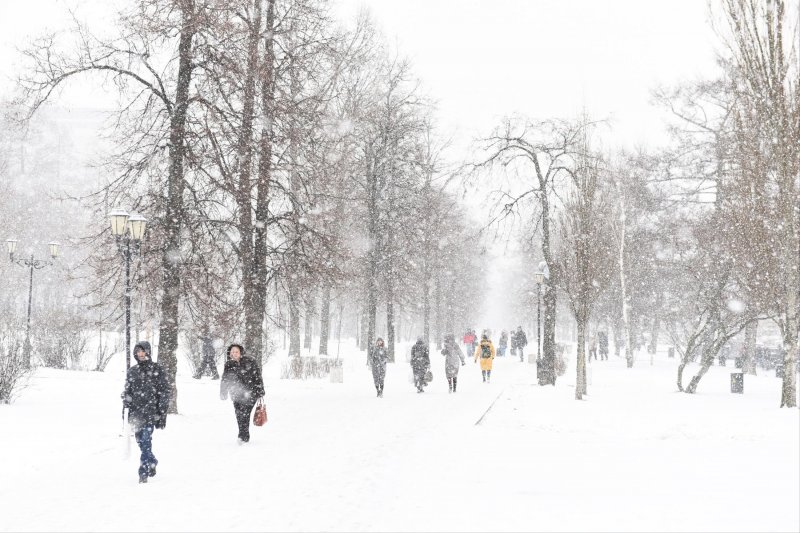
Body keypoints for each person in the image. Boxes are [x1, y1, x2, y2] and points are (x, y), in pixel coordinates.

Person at [122, 341, 170, 484]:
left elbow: (164, 393)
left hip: (151, 412)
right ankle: (152, 461)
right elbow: (128, 390)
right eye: (138, 351)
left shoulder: (157, 369)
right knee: (140, 441)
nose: (141, 354)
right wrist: (126, 398)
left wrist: (161, 413)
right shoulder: (132, 371)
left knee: (146, 440)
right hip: (136, 413)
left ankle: (143, 471)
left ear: (148, 352)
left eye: (143, 351)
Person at [220, 343, 265, 443]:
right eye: (232, 352)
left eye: (236, 352)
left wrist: (260, 390)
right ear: (230, 353)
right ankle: (242, 435)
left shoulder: (250, 361)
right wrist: (223, 392)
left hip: (250, 392)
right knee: (239, 414)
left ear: (240, 352)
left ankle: (243, 436)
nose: (234, 354)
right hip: (235, 393)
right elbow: (225, 379)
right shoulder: (228, 364)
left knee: (245, 413)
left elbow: (257, 376)